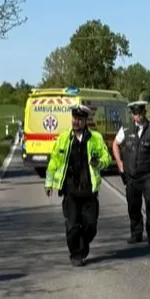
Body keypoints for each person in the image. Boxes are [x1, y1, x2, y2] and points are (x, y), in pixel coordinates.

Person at [45, 105, 113, 266]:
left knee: (91, 226)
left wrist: (99, 163)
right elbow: (53, 161)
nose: (76, 122)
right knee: (73, 225)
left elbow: (107, 159)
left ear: (85, 121)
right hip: (70, 190)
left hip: (89, 191)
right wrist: (48, 183)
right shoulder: (63, 138)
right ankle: (77, 254)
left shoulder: (95, 138)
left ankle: (82, 244)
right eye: (74, 119)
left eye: (80, 119)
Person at [112, 100, 150, 246]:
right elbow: (115, 144)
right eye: (134, 114)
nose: (137, 117)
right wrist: (119, 163)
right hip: (131, 176)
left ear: (144, 113)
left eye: (139, 114)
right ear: (132, 115)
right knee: (133, 205)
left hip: (148, 175)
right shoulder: (126, 129)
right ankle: (136, 233)